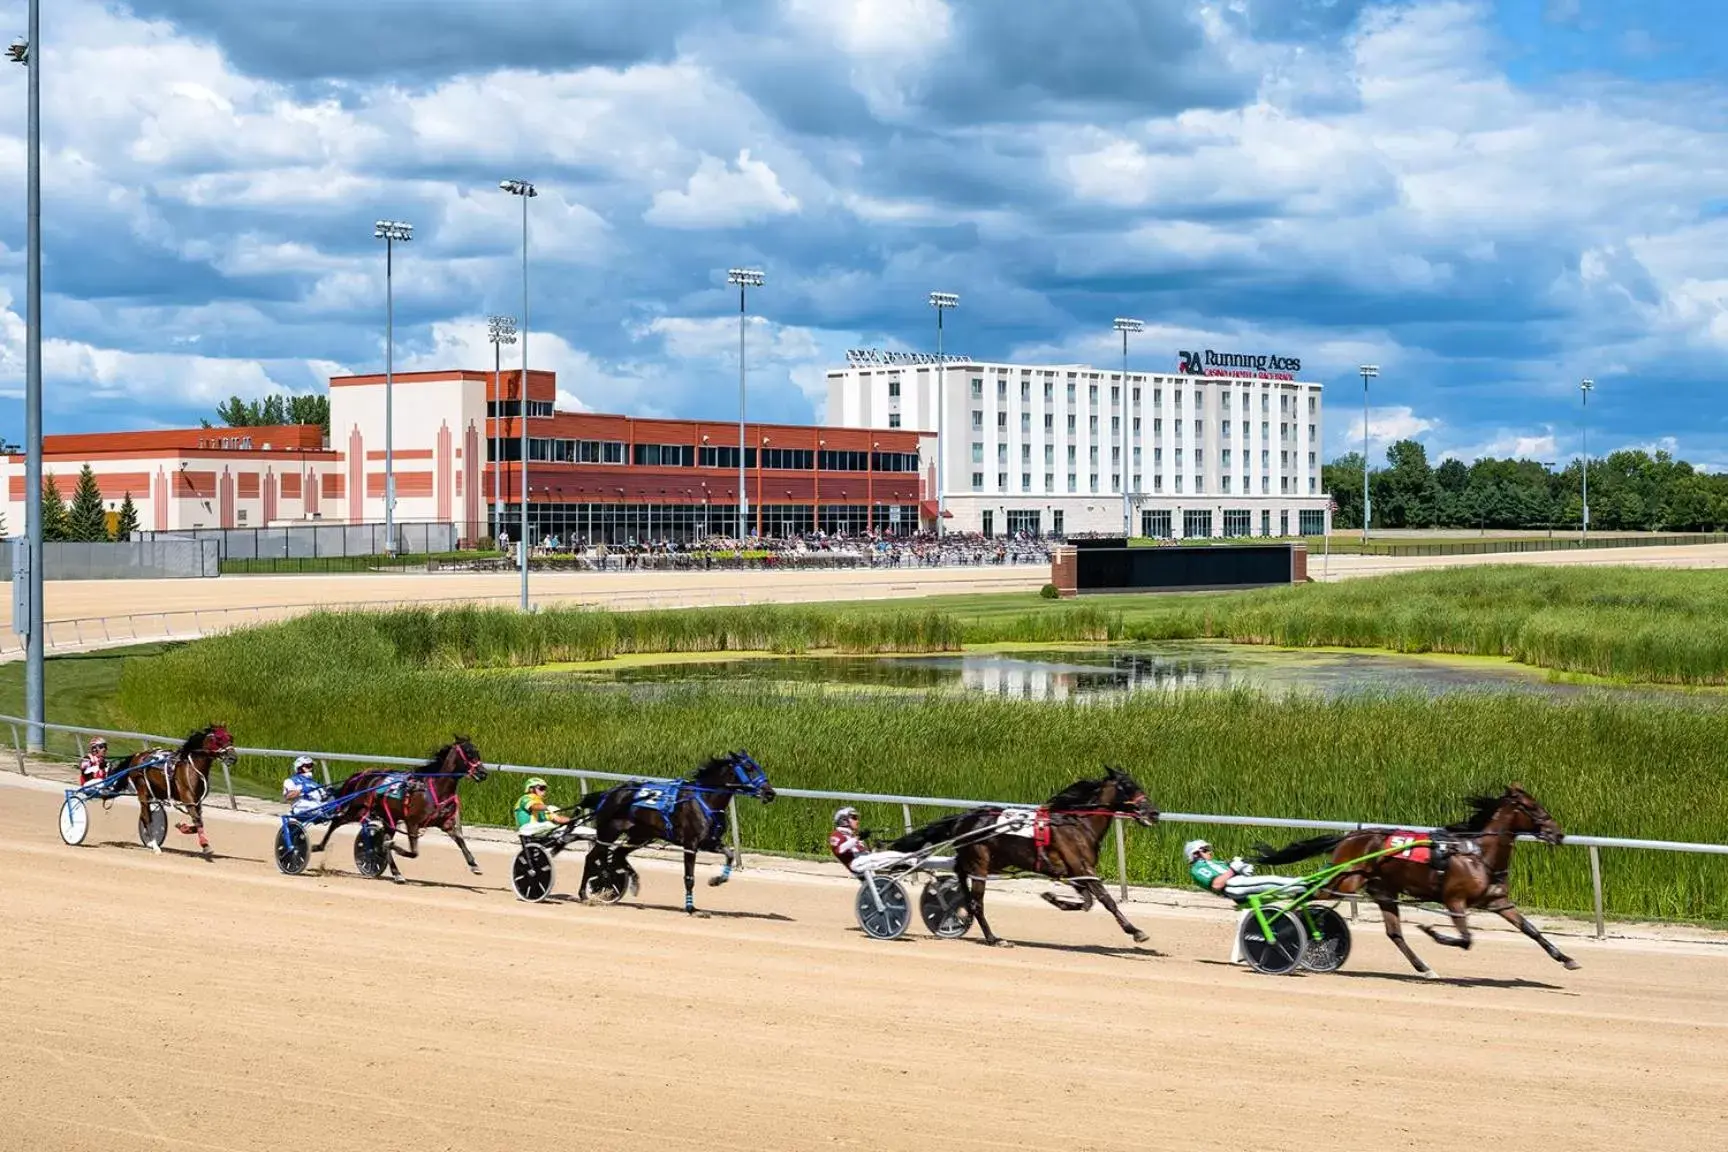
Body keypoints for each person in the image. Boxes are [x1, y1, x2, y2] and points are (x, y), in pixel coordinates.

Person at [1185, 839, 1305, 964]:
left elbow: (1232, 870)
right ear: (1195, 855)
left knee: (1277, 884)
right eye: (1205, 850)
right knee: (1273, 881)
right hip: (1233, 886)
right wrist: (1233, 869)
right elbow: (1217, 884)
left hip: (1239, 883)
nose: (1209, 852)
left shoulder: (1216, 862)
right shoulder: (1197, 868)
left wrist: (1242, 868)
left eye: (1208, 849)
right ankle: (1304, 883)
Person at [828, 806, 950, 876]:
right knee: (894, 855)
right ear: (844, 820)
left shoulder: (852, 836)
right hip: (857, 863)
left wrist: (878, 845)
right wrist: (858, 838)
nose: (857, 821)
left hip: (867, 860)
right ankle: (915, 859)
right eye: (854, 818)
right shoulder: (836, 835)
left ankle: (951, 863)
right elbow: (840, 850)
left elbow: (865, 851)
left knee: (895, 854)